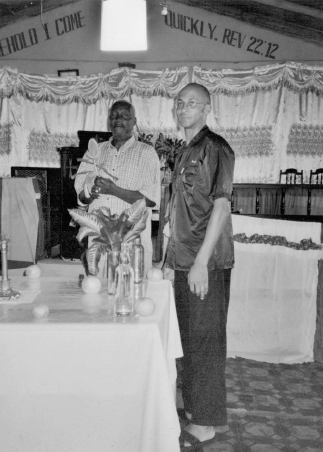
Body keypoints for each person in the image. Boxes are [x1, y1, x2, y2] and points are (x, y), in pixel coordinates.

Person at [164, 83, 235, 449]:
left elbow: (221, 207)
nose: (184, 108)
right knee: (189, 341)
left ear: (206, 109)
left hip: (205, 264)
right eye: (180, 102)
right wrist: (169, 261)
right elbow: (179, 212)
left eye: (192, 103)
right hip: (183, 261)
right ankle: (196, 411)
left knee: (205, 342)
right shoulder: (184, 152)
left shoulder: (216, 148)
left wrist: (201, 263)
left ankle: (206, 423)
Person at [75, 100, 161, 276]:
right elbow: (81, 197)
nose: (118, 120)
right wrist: (90, 194)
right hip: (99, 237)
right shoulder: (94, 151)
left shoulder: (146, 152)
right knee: (96, 289)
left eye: (124, 116)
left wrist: (114, 190)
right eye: (113, 116)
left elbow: (151, 199)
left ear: (134, 121)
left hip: (131, 239)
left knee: (131, 292)